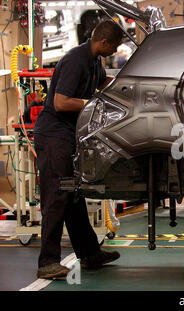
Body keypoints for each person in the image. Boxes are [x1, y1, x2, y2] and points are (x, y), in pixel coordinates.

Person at [33, 20, 123, 279]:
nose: (115, 50)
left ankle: (90, 254)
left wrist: (131, 82)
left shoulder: (94, 61)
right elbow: (61, 102)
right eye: (114, 46)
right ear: (104, 42)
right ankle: (47, 262)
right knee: (56, 197)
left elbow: (105, 82)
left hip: (68, 136)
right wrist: (91, 103)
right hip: (53, 136)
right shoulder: (76, 60)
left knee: (73, 196)